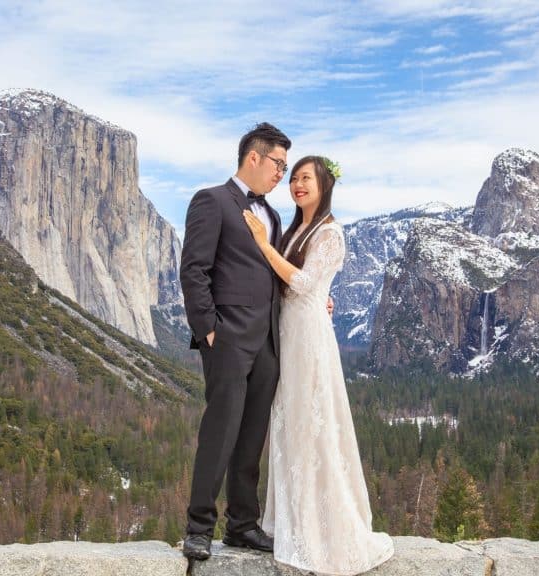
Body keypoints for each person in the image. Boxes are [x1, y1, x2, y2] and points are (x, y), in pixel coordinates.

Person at [243, 156, 394, 575]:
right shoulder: (294, 230)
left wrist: (263, 245)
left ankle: (324, 526)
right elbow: (295, 281)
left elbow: (307, 283)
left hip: (308, 337)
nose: (296, 185)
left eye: (305, 178)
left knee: (313, 421)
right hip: (287, 330)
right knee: (290, 420)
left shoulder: (331, 232)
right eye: (293, 178)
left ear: (324, 184)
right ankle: (292, 518)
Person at [179, 122, 290, 560]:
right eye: (278, 164)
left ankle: (242, 525)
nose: (282, 173)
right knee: (220, 432)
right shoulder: (212, 201)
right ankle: (199, 526)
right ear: (253, 158)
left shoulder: (274, 216)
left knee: (252, 437)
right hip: (226, 339)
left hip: (267, 343)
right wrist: (209, 329)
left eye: (285, 166)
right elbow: (194, 269)